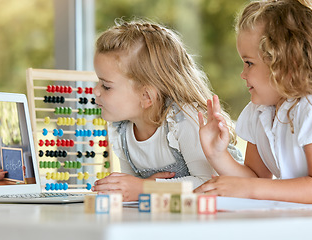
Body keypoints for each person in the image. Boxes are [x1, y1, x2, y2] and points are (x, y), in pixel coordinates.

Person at [195, 0, 312, 204]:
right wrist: (217, 154)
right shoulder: (260, 111)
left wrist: (248, 188)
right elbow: (256, 178)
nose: (242, 74)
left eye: (249, 63)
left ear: (287, 64)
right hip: (304, 218)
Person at [91, 19, 243, 201]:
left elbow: (205, 182)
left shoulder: (184, 119)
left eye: (106, 86)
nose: (95, 90)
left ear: (146, 96)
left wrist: (147, 187)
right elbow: (135, 189)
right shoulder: (121, 129)